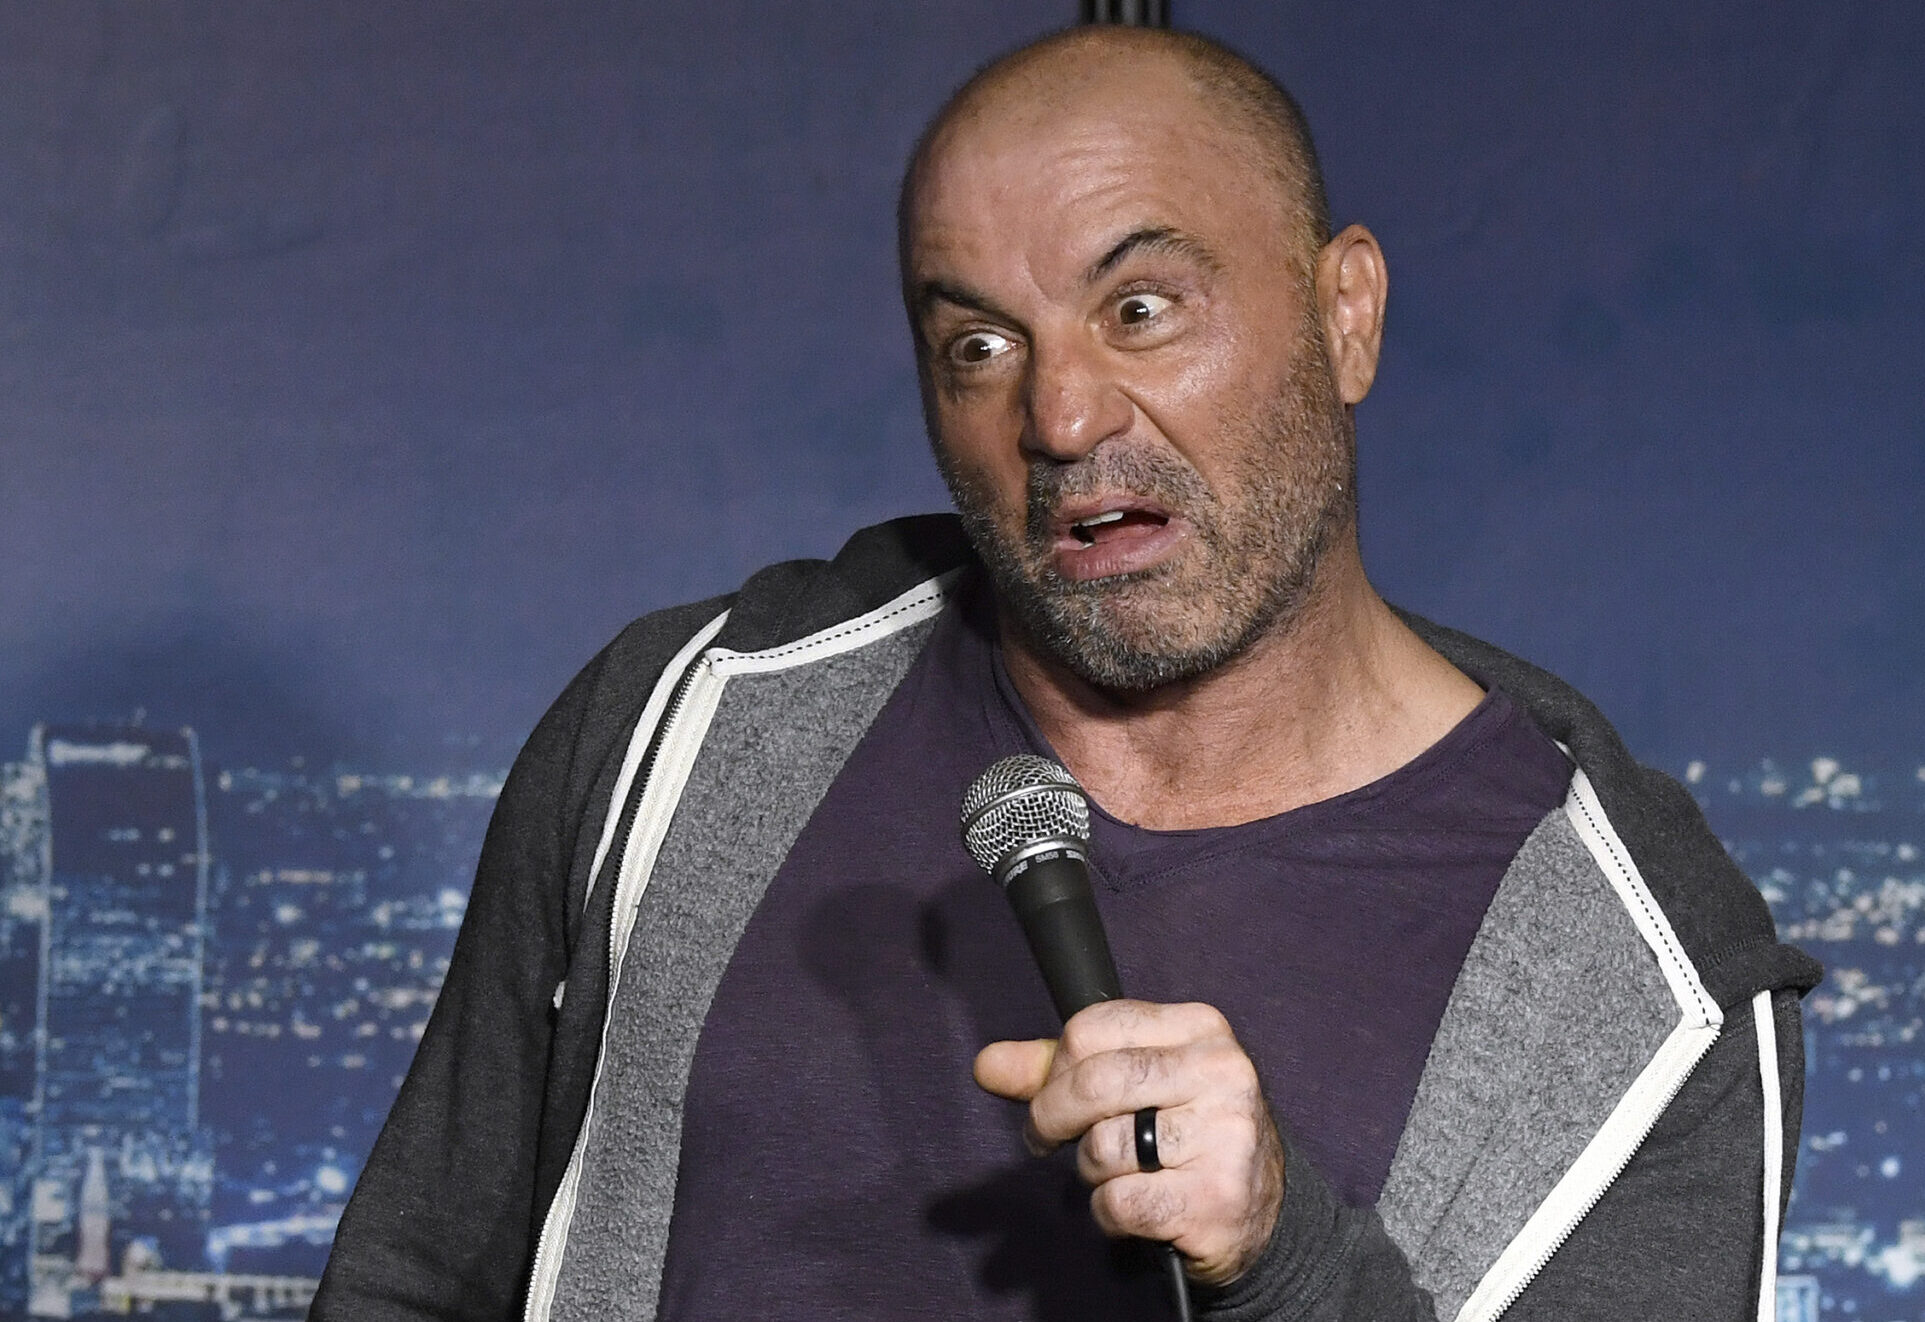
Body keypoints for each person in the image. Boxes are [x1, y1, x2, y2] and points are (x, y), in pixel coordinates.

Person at [314, 25, 1819, 1322]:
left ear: (1345, 313)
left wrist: (1284, 1260)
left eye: (1140, 308)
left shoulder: (1644, 986)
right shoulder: (680, 725)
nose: (1060, 413)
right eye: (978, 344)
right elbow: (408, 1278)